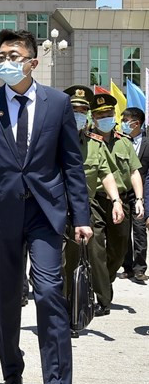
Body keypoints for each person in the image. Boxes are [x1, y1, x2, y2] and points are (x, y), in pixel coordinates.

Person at [0, 29, 91, 384]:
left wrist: (81, 216)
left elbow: (71, 163)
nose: (5, 61)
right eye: (1, 56)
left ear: (32, 61)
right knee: (7, 297)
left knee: (49, 291)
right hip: (0, 215)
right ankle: (12, 374)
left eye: (13, 55)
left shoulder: (57, 103)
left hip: (46, 214)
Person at [61, 86, 122, 336]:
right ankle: (61, 308)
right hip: (54, 209)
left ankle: (76, 310)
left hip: (83, 210)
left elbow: (106, 173)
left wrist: (117, 200)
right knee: (61, 262)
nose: (79, 114)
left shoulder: (95, 143)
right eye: (74, 109)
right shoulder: (52, 138)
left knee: (82, 258)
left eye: (83, 110)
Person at [85, 93, 143, 315]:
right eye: (100, 115)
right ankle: (102, 298)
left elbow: (135, 171)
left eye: (109, 114)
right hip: (95, 200)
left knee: (119, 251)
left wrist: (139, 199)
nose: (105, 118)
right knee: (96, 249)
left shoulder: (124, 142)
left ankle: (102, 280)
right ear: (94, 117)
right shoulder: (87, 141)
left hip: (122, 200)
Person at [119, 106, 148, 281]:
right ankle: (127, 266)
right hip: (122, 194)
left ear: (136, 123)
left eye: (125, 120)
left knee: (139, 232)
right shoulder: (119, 141)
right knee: (123, 232)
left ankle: (139, 268)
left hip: (140, 195)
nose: (122, 123)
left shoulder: (147, 143)